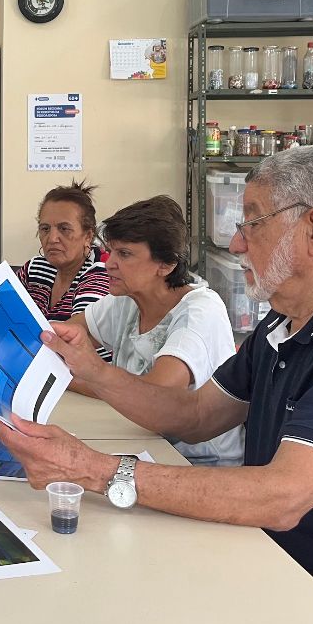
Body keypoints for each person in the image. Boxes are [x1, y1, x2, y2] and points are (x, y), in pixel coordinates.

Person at [0, 147, 313, 624]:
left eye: (252, 222)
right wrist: (92, 372)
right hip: (293, 568)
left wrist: (91, 469)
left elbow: (282, 496)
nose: (236, 242)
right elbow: (196, 414)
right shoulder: (284, 325)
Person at [64, 195, 243, 465]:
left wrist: (79, 375)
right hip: (145, 444)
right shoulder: (127, 300)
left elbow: (156, 397)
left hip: (200, 464)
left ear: (167, 264)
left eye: (124, 254)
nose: (108, 263)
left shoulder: (199, 312)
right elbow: (62, 337)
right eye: (110, 251)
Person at [15, 180, 111, 362]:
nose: (52, 238)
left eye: (64, 229)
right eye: (45, 229)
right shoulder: (35, 269)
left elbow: (70, 346)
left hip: (81, 383)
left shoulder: (100, 276)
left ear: (88, 236)